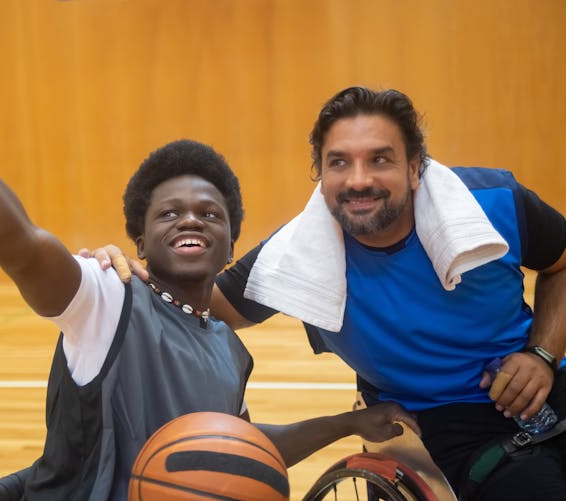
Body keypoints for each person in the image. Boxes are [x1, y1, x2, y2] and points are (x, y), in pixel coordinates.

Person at [0, 7, 421, 500]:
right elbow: (16, 242)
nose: (189, 218)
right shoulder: (109, 299)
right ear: (138, 239)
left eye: (210, 214)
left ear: (231, 242)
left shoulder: (228, 348)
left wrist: (348, 425)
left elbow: (234, 446)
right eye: (168, 212)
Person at [97, 86, 566, 500]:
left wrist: (541, 353)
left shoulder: (493, 201)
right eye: (339, 162)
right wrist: (115, 272)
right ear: (320, 174)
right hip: (441, 423)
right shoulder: (295, 256)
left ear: (416, 167)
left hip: (545, 375)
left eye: (379, 159)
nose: (358, 179)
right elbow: (198, 303)